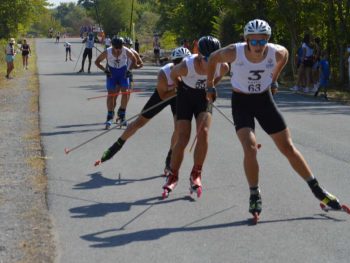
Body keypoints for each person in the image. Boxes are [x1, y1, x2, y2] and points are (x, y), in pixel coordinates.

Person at [206, 19, 344, 219]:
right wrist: (209, 86)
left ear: (267, 41)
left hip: (264, 100)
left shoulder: (277, 51)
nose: (258, 47)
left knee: (287, 147)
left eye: (263, 42)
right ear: (246, 40)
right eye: (254, 42)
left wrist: (273, 79)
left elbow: (285, 57)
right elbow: (212, 59)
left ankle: (317, 189)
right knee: (250, 147)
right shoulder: (233, 52)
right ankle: (254, 193)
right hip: (241, 103)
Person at [97, 47, 192, 176]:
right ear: (173, 62)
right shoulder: (164, 73)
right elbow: (163, 96)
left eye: (183, 63)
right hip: (163, 95)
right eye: (177, 62)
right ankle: (115, 147)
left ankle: (169, 159)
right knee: (139, 122)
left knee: (179, 129)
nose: (180, 65)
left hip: (178, 98)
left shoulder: (191, 70)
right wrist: (179, 89)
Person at [162, 36, 229, 198]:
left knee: (203, 132)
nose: (211, 62)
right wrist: (180, 87)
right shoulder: (187, 65)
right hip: (185, 96)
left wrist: (211, 86)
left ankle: (196, 173)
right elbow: (173, 74)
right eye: (207, 59)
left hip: (203, 98)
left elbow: (218, 76)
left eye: (214, 58)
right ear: (199, 55)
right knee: (183, 136)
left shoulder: (223, 66)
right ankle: (173, 174)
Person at [95, 37, 142, 129]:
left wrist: (129, 70)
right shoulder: (107, 51)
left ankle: (122, 114)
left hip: (123, 73)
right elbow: (97, 62)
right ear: (112, 46)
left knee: (125, 92)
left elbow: (134, 60)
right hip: (112, 74)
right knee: (111, 95)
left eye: (119, 48)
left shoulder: (126, 50)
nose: (117, 50)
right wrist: (105, 70)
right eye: (116, 48)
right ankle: (109, 116)